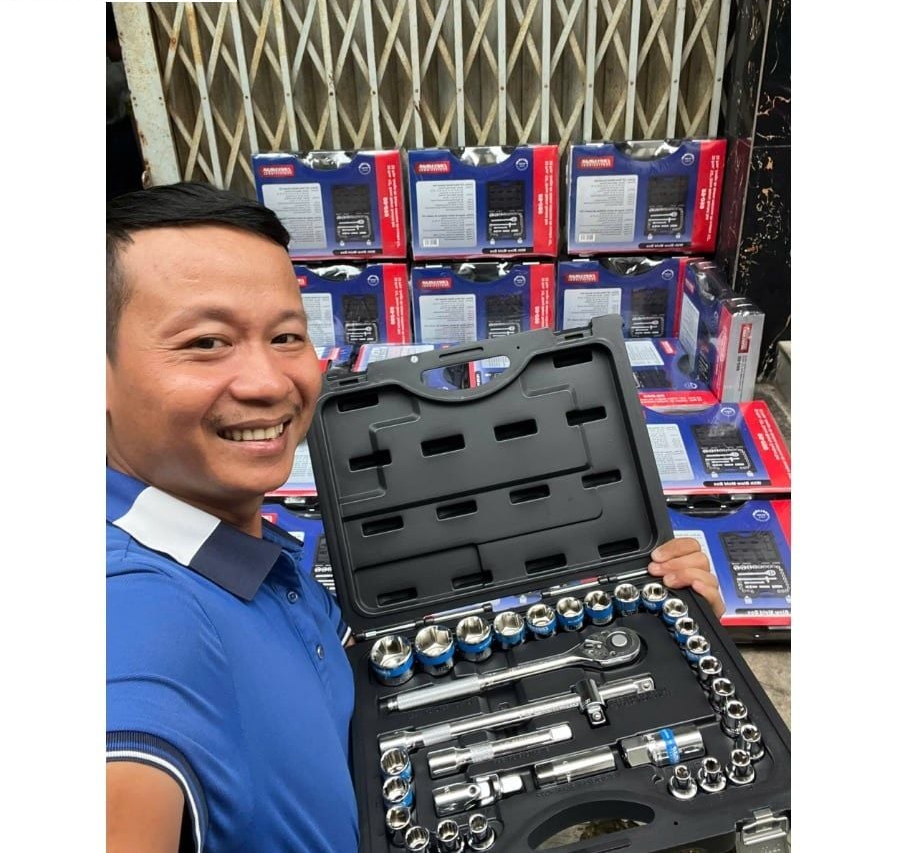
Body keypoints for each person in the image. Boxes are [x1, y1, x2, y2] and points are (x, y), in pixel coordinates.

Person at [106, 182, 724, 852]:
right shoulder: (138, 614)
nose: (268, 381)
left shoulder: (236, 545)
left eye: (286, 336)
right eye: (206, 342)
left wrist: (666, 626)